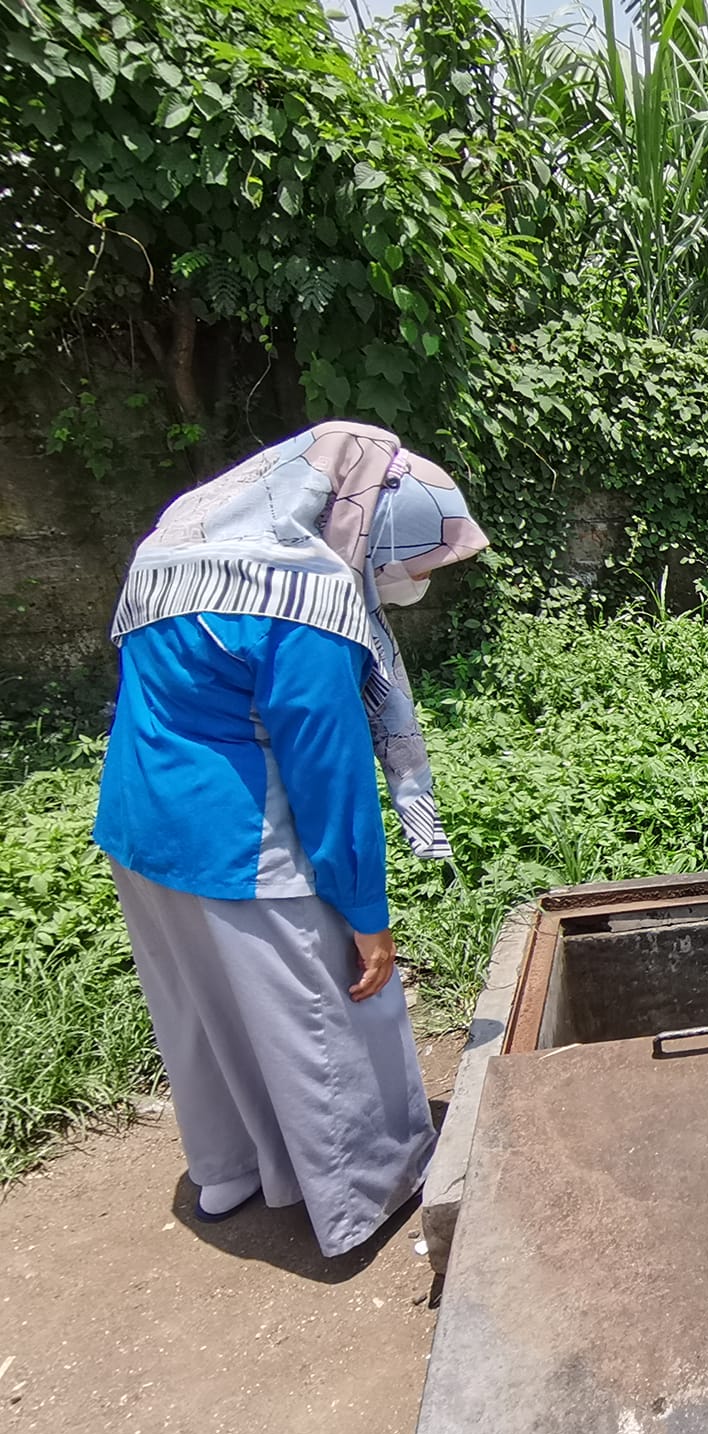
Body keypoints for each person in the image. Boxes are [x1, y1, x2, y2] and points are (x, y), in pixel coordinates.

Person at [94, 422, 488, 1255]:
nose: (410, 577)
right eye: (411, 554)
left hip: (143, 822)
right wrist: (366, 913)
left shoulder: (178, 543)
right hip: (243, 839)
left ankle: (230, 1170)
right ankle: (361, 1199)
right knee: (327, 1014)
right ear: (368, 518)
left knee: (204, 1011)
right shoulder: (301, 596)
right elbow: (328, 770)